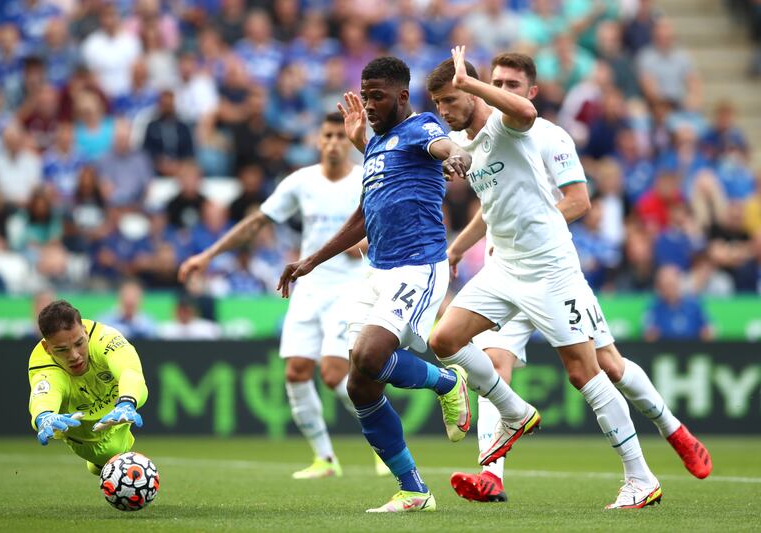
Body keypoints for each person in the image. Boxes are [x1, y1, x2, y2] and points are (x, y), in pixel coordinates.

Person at [427, 52, 713, 504]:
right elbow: (496, 203)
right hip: (504, 270)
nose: (442, 112)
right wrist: (459, 248)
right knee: (447, 342)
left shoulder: (522, 126)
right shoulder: (469, 142)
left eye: (448, 100)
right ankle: (496, 462)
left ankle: (656, 454)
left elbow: (577, 199)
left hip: (550, 269)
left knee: (596, 370)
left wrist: (476, 84)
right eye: (437, 104)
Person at [277, 57, 475, 513]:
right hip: (378, 270)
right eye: (365, 96)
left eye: (378, 96)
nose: (369, 104)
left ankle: (447, 382)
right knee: (358, 387)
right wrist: (310, 261)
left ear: (402, 96)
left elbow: (443, 146)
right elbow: (362, 217)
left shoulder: (421, 127)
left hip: (418, 266)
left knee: (368, 356)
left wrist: (459, 155)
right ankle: (413, 490)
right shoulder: (376, 145)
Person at [179, 112, 384, 479]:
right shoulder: (301, 181)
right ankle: (325, 459)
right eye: (328, 135)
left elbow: (390, 221)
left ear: (350, 139)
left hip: (351, 287)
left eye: (341, 135)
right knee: (296, 371)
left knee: (336, 376)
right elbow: (258, 222)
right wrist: (207, 256)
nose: (335, 142)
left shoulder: (365, 178)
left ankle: (386, 442)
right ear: (318, 141)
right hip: (309, 286)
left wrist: (366, 243)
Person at [27, 300, 147, 476]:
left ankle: (105, 462)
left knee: (139, 390)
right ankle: (101, 464)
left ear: (85, 330)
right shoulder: (42, 363)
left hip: (120, 408)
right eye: (62, 350)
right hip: (81, 426)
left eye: (79, 344)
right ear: (47, 348)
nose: (74, 356)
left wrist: (127, 402)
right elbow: (45, 392)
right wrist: (43, 416)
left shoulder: (106, 338)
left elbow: (130, 371)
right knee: (107, 456)